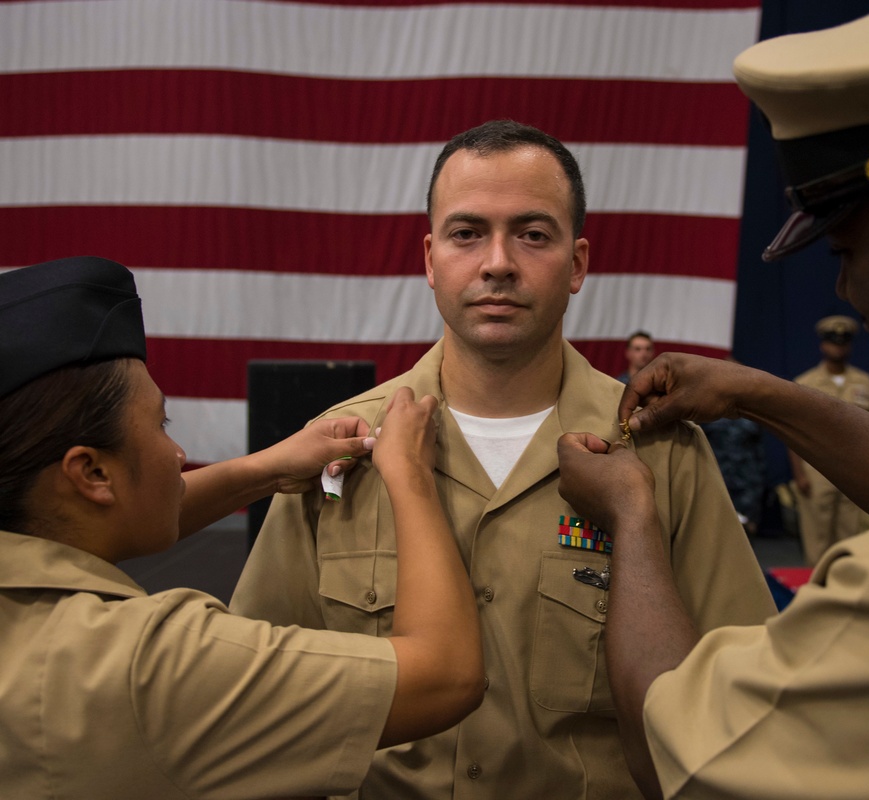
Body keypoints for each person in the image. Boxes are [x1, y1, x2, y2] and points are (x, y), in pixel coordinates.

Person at [230, 119, 776, 800]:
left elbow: (741, 695)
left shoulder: (661, 454)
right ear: (430, 260)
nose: (497, 262)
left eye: (532, 234)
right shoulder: (341, 447)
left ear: (577, 264)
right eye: (467, 234)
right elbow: (258, 694)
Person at [557, 1, 869, 797]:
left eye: (848, 249)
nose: (844, 289)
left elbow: (684, 752)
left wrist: (630, 517)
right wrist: (759, 394)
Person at [0, 256, 484, 798]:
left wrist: (267, 466)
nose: (179, 452)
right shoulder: (154, 667)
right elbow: (446, 675)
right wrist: (410, 476)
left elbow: (97, 519)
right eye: (161, 424)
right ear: (90, 472)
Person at [791, 315, 869, 564]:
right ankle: (817, 588)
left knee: (851, 535)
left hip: (856, 469)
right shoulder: (806, 383)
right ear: (823, 345)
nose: (838, 347)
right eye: (833, 342)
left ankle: (846, 587)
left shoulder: (864, 383)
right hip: (817, 470)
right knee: (817, 536)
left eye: (843, 342)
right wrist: (799, 474)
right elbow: (792, 432)